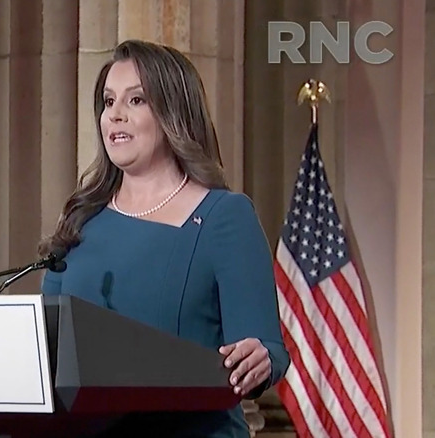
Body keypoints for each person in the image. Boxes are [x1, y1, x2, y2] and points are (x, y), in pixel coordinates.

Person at [39, 39, 290, 437]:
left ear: (173, 111)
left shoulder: (223, 217)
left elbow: (267, 350)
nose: (115, 115)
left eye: (135, 101)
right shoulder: (79, 223)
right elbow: (44, 354)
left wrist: (257, 359)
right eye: (108, 102)